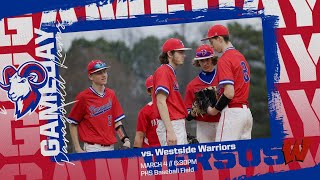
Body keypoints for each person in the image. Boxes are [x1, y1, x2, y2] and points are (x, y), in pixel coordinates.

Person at [201, 24, 253, 142]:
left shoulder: (225, 58)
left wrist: (213, 111)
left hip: (233, 113)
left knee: (223, 154)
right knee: (244, 155)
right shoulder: (240, 57)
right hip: (246, 114)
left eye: (211, 41)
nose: (211, 46)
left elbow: (229, 93)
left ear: (219, 39)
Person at [68, 60, 131, 152]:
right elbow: (72, 123)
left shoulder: (111, 94)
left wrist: (126, 140)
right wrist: (78, 148)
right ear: (90, 76)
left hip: (110, 147)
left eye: (105, 71)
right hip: (93, 148)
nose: (104, 75)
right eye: (99, 73)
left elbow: (117, 122)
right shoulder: (83, 97)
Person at [152, 38, 191, 146]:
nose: (184, 55)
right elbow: (161, 101)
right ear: (169, 53)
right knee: (176, 162)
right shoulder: (164, 71)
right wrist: (170, 131)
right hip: (171, 125)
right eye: (180, 52)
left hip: (175, 124)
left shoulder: (169, 72)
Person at [184, 44, 221, 143]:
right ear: (198, 62)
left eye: (207, 59)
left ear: (212, 59)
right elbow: (186, 113)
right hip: (203, 124)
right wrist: (194, 111)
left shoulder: (223, 78)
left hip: (222, 122)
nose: (205, 63)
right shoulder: (192, 85)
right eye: (202, 60)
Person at [133, 75, 160, 148]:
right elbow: (139, 136)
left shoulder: (170, 107)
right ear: (149, 91)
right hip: (151, 151)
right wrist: (135, 156)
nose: (158, 90)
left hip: (168, 150)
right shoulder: (145, 111)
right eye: (154, 88)